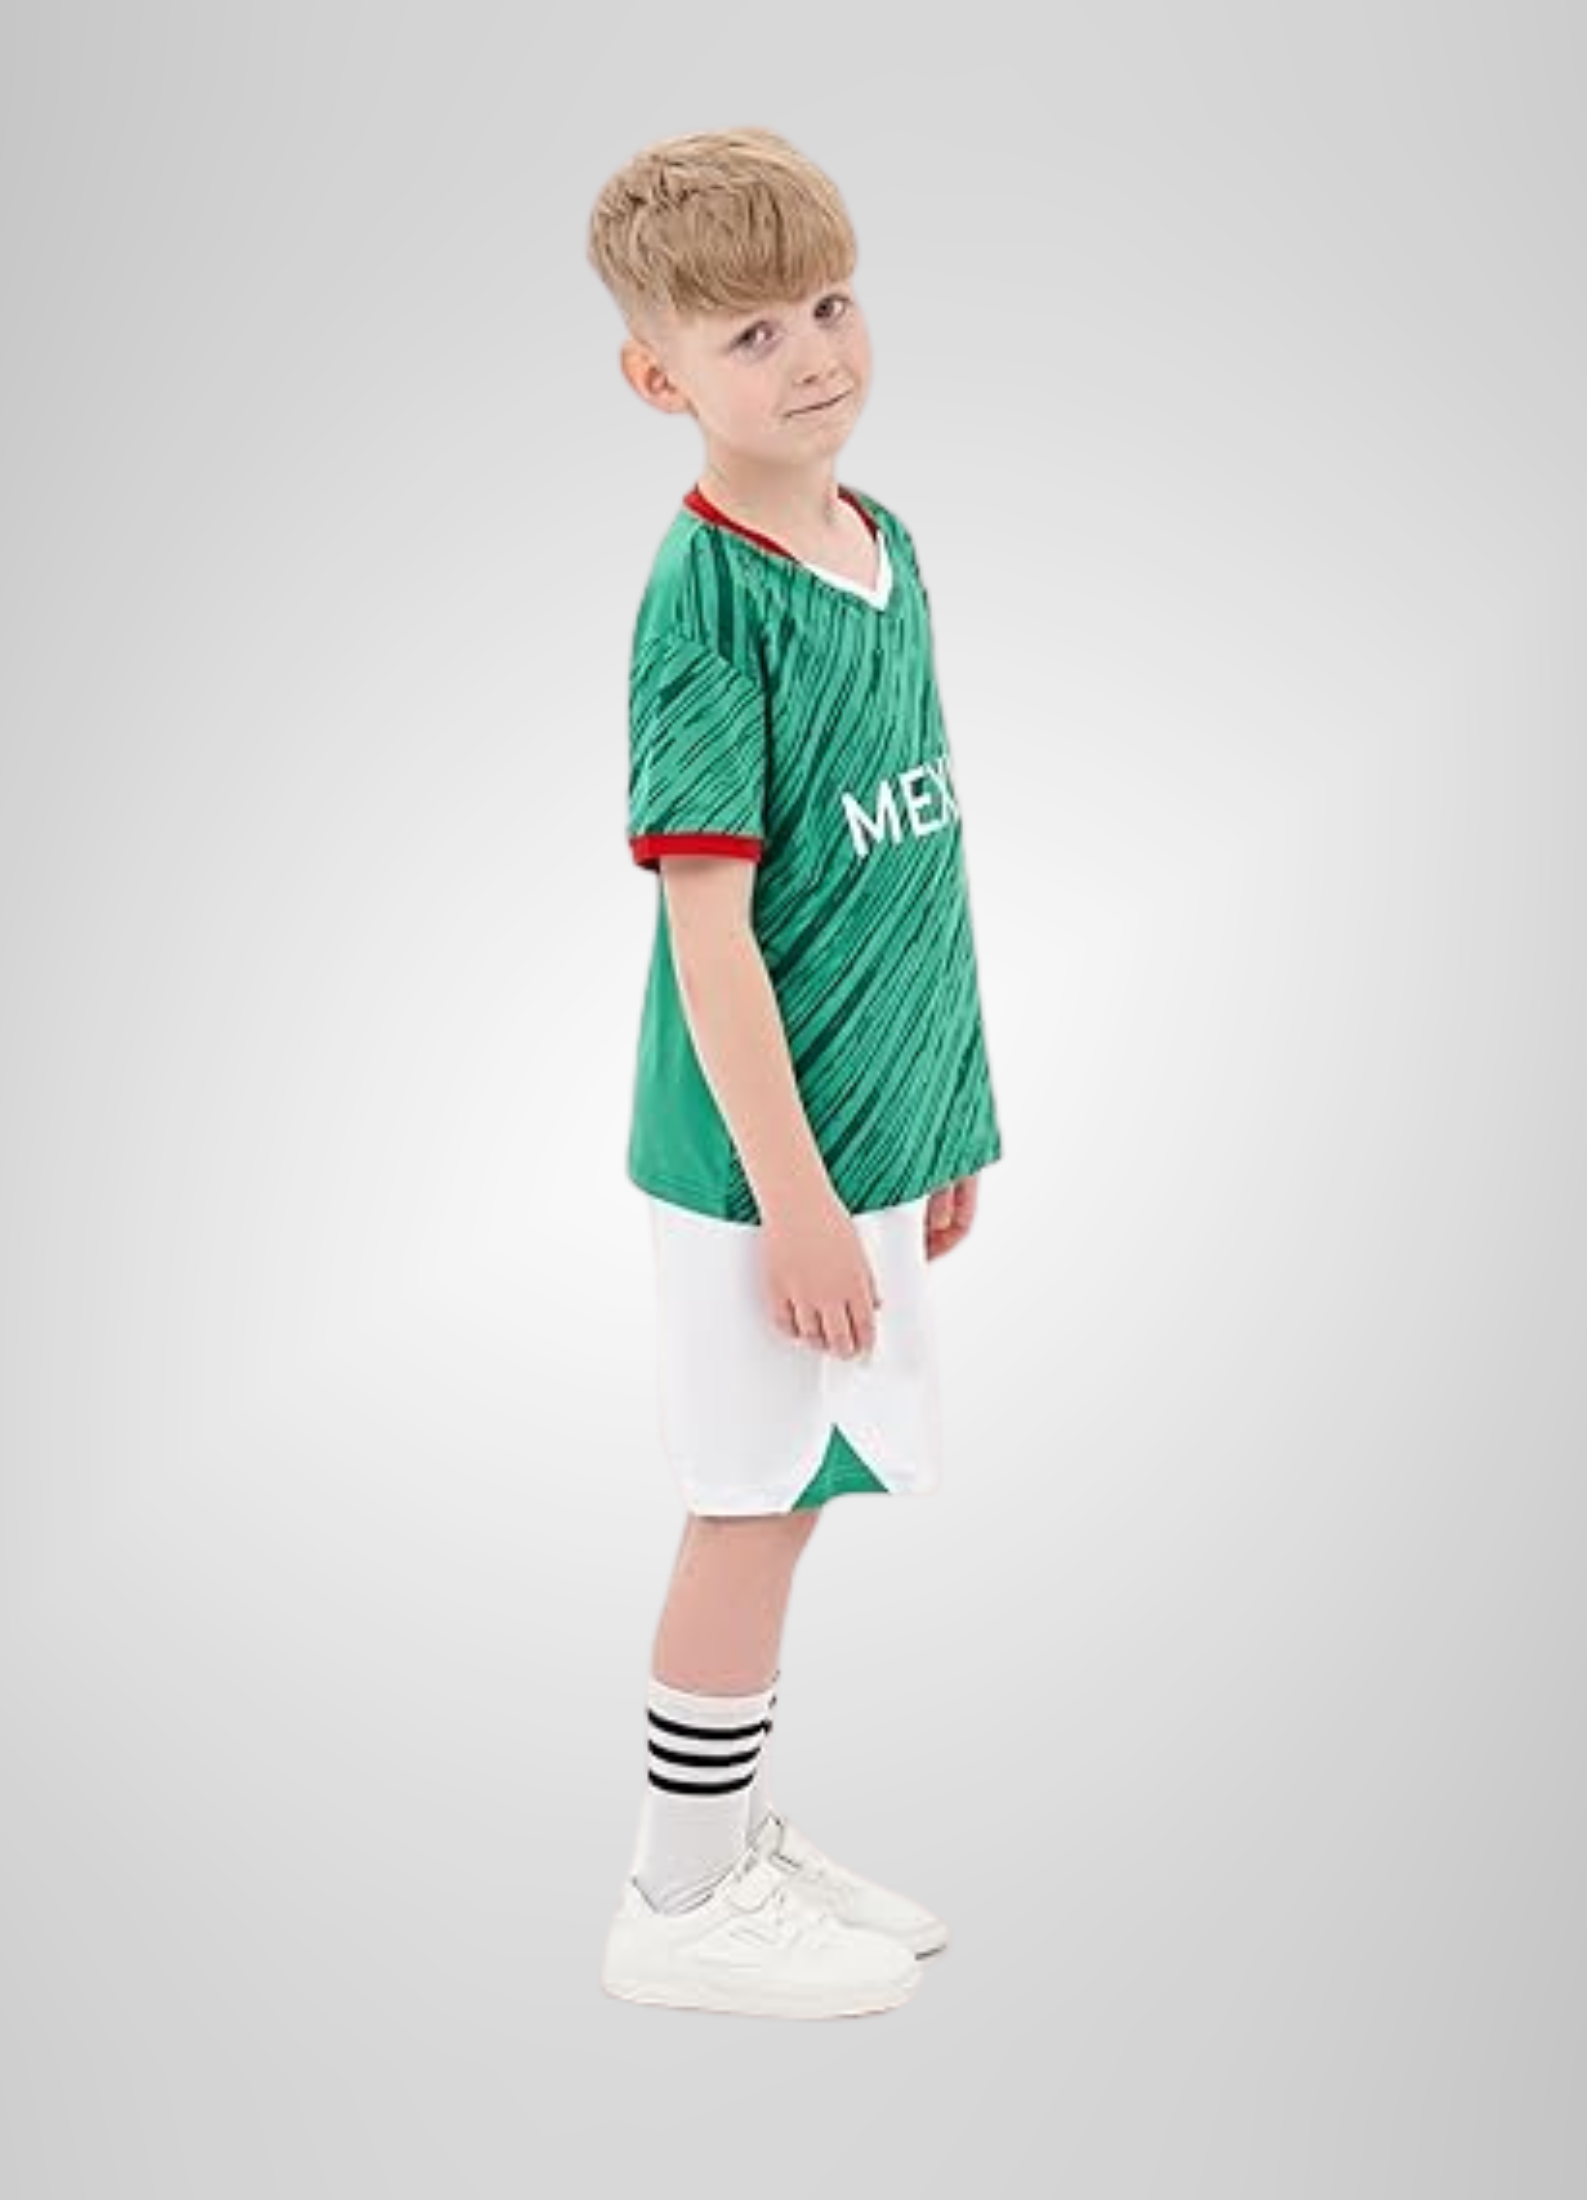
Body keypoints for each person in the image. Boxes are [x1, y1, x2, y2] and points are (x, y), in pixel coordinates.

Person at [585, 127, 1004, 2020]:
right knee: (749, 1494)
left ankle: (731, 1831)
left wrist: (940, 1108)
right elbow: (713, 934)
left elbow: (918, 849)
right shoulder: (706, 600)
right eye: (750, 335)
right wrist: (801, 1201)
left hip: (858, 1131)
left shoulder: (883, 543)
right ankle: (676, 1899)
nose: (814, 355)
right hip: (758, 1161)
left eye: (828, 305)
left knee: (805, 1485)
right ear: (655, 374)